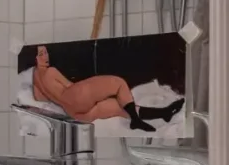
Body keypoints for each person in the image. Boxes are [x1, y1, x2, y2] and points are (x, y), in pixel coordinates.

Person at [31, 45, 184, 133]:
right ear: (35, 58)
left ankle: (164, 113)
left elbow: (40, 99)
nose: (46, 56)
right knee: (118, 83)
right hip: (74, 97)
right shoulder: (51, 71)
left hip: (74, 112)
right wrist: (90, 90)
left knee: (119, 108)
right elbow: (69, 87)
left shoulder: (36, 79)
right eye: (41, 53)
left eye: (46, 52)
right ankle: (136, 120)